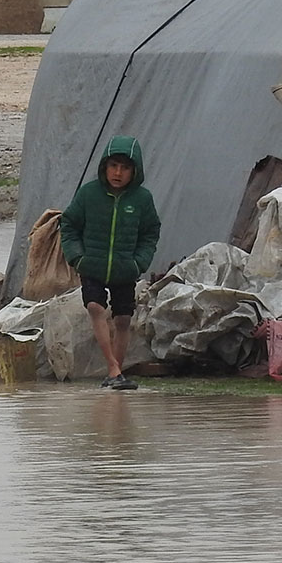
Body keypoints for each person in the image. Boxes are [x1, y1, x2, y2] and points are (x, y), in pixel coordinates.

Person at [58, 135, 161, 389]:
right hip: (91, 264)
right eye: (113, 166)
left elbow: (150, 233)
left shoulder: (142, 199)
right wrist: (77, 257)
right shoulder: (88, 194)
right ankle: (114, 370)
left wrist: (139, 263)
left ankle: (115, 373)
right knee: (95, 307)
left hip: (125, 269)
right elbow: (68, 225)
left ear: (134, 171)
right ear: (104, 167)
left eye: (125, 168)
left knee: (123, 319)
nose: (118, 173)